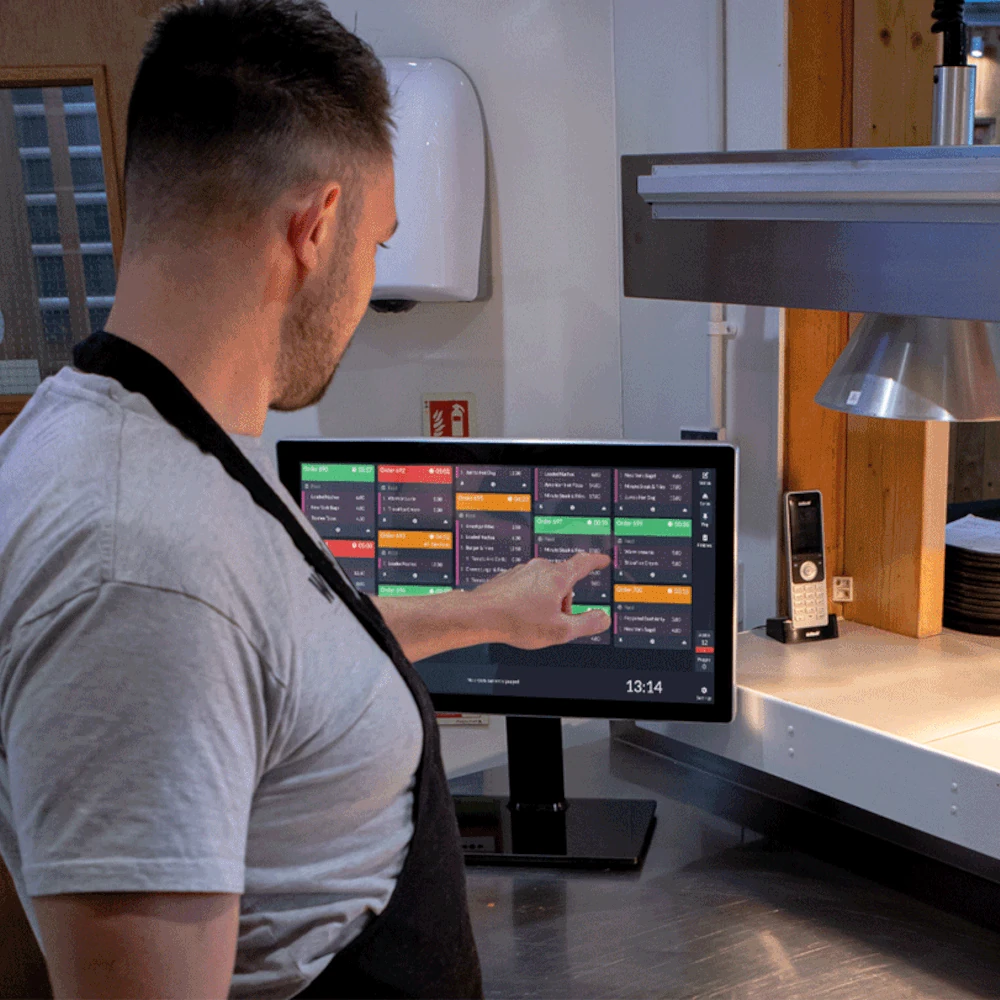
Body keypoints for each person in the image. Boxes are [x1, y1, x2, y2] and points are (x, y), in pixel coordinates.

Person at [0, 1, 612, 997]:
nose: (371, 288)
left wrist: (486, 611)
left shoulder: (150, 440)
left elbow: (267, 664)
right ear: (316, 228)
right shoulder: (141, 566)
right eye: (378, 244)